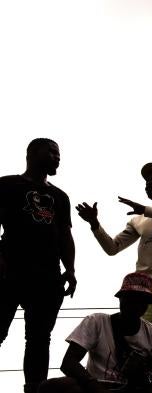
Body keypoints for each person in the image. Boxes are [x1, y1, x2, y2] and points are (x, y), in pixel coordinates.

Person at [75, 163, 152, 350]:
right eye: (146, 181)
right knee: (134, 341)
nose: (148, 184)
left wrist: (146, 209)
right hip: (142, 285)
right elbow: (112, 248)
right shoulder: (138, 219)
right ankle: (141, 379)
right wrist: (94, 224)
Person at [0, 138, 77, 393]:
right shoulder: (7, 185)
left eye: (59, 153)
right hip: (9, 271)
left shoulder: (59, 196)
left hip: (47, 278)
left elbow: (65, 235)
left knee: (39, 341)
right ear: (33, 153)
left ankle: (35, 390)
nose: (58, 157)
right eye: (53, 152)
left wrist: (71, 270)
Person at [38, 272, 152, 393]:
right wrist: (93, 385)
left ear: (146, 306)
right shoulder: (96, 322)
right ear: (120, 300)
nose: (134, 304)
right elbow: (68, 363)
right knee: (50, 387)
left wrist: (144, 375)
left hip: (137, 388)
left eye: (140, 300)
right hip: (95, 386)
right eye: (130, 299)